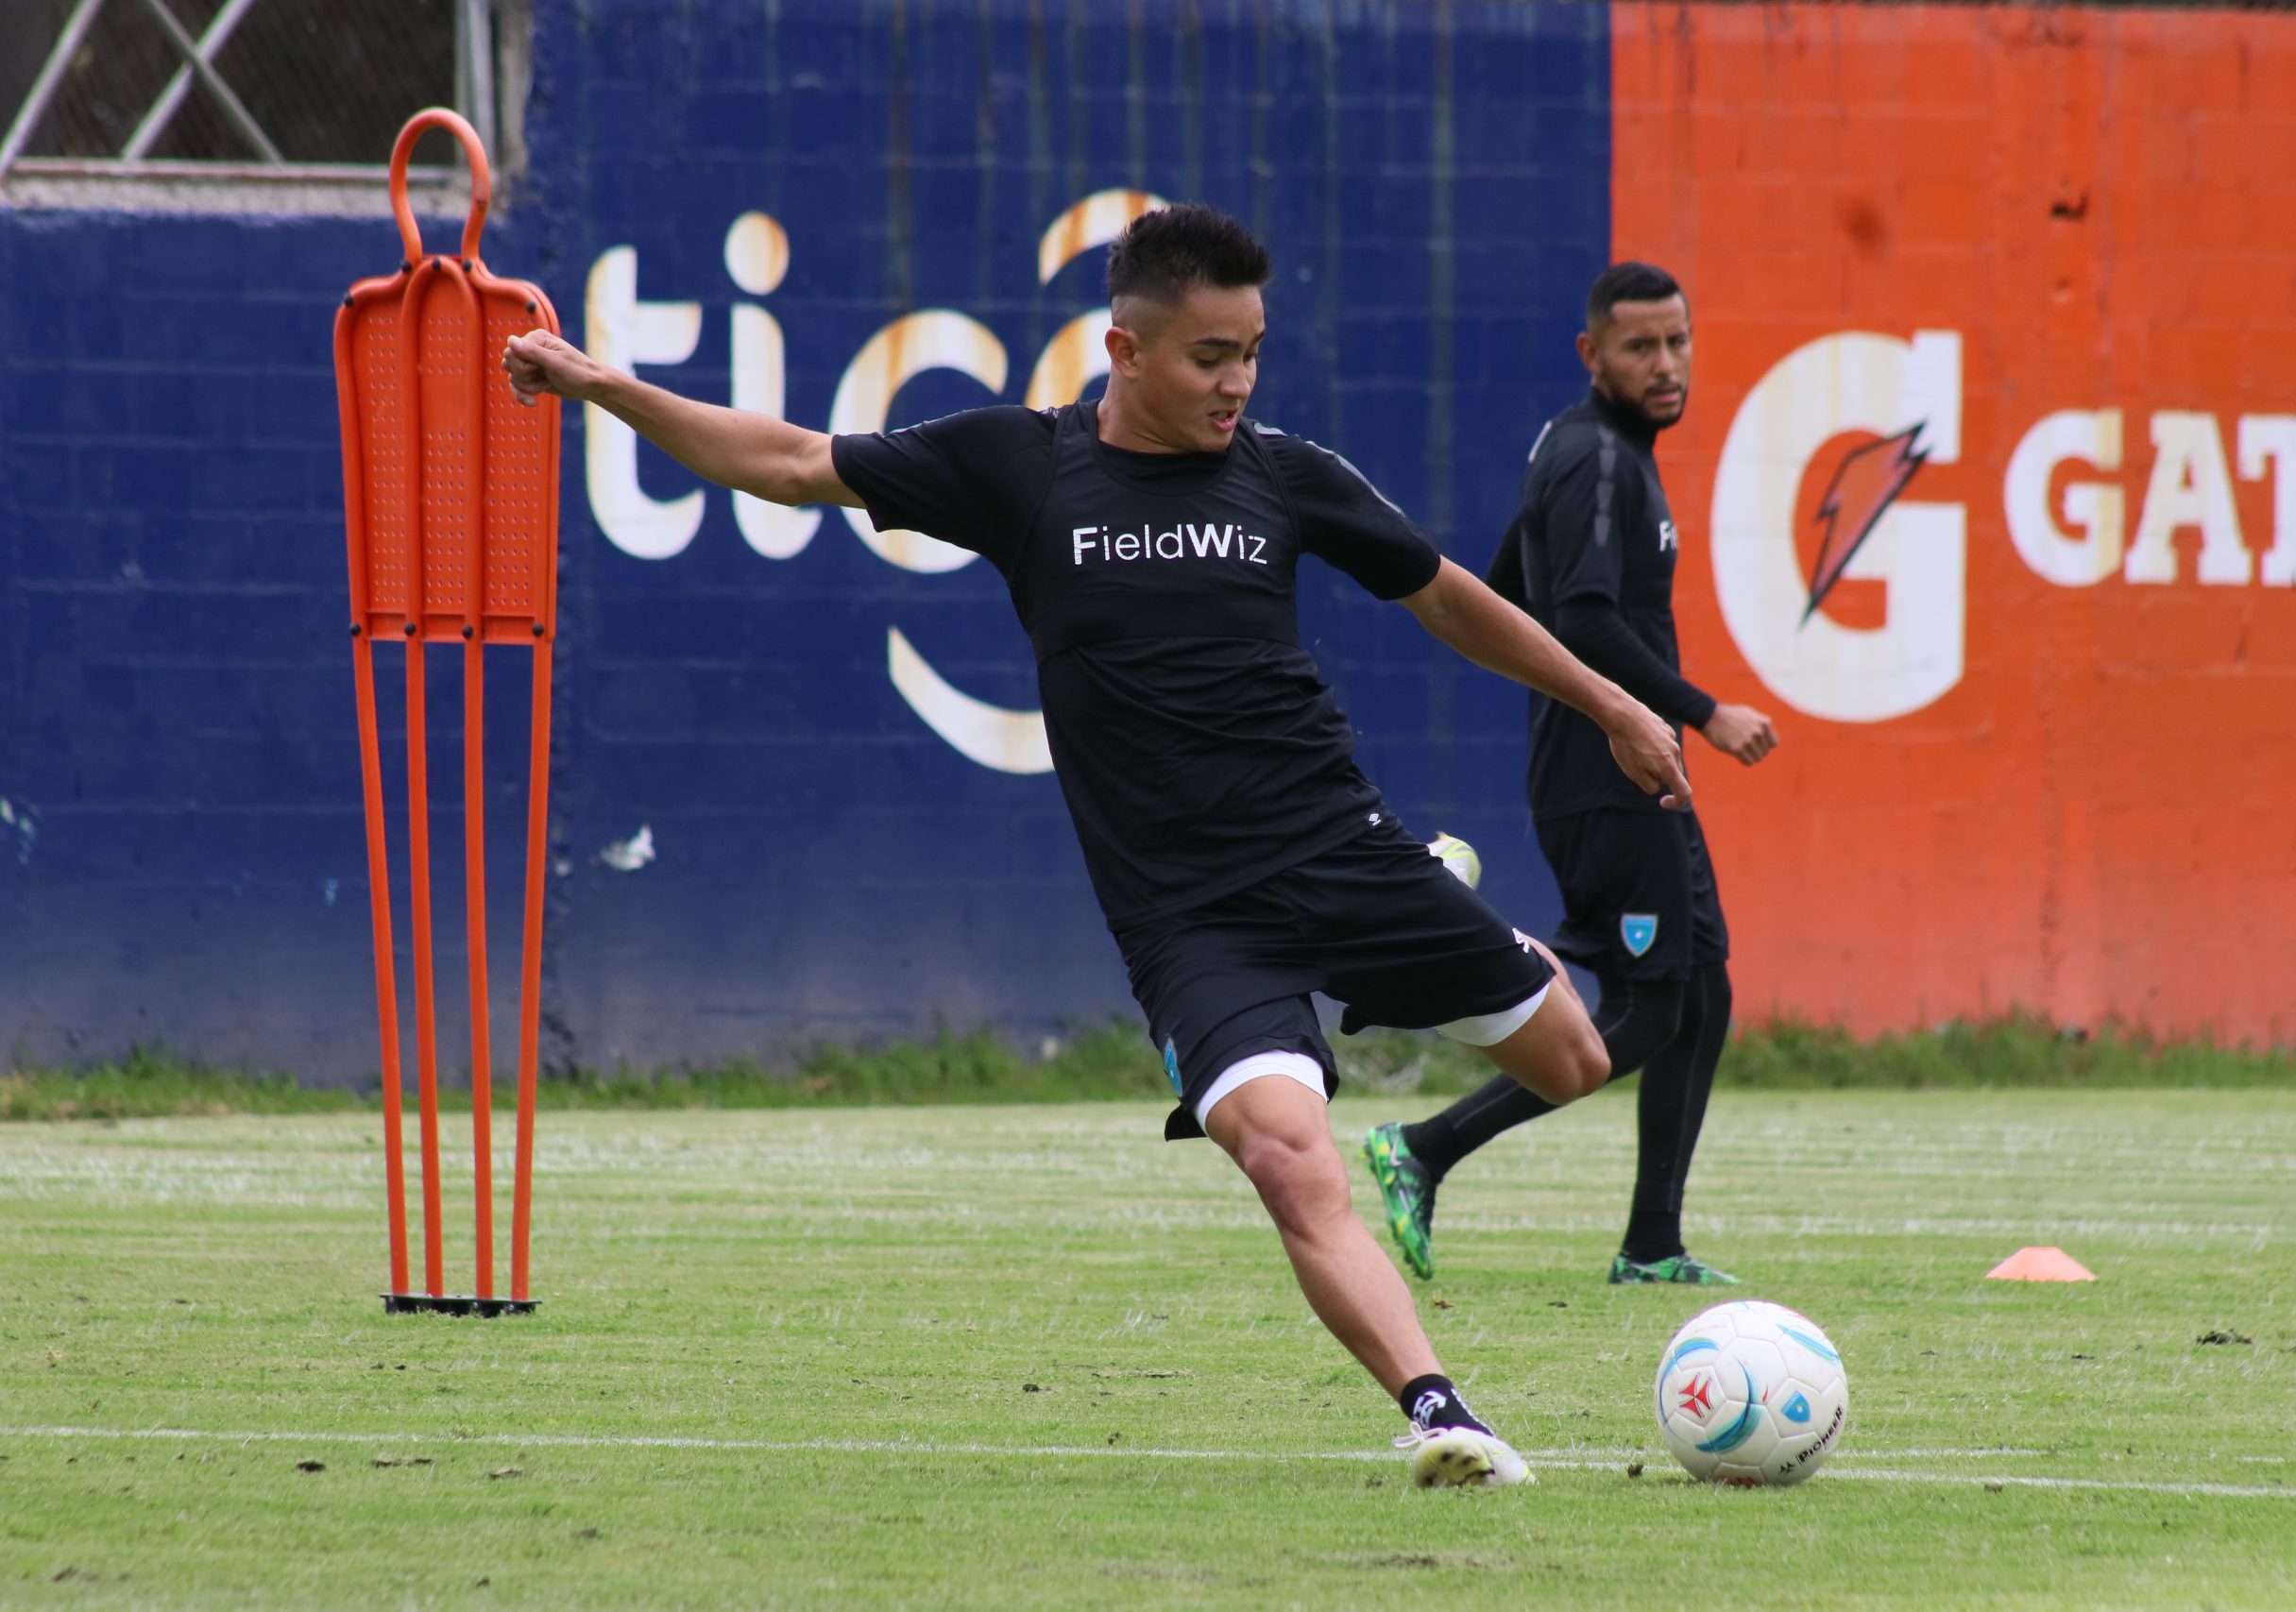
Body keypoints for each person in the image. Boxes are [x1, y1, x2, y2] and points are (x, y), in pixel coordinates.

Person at [503, 207, 1692, 1488]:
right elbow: (792, 458)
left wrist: (1618, 703)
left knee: (1572, 1055)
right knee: (1292, 1157)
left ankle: (1415, 935)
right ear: (1124, 349)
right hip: (1191, 916)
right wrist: (597, 383)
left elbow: (1447, 591)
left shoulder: (1286, 474)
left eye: (1251, 353)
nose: (1236, 381)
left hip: (1341, 855)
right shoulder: (1022, 467)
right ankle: (1441, 1409)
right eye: (1208, 357)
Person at [1362, 262, 1777, 1288]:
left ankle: (1651, 1245)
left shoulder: (1581, 446)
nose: (1665, 363)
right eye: (1640, 347)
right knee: (1645, 1008)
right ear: (1594, 355)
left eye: (1677, 341)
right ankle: (1423, 1147)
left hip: (1620, 763)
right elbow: (1582, 614)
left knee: (1702, 990)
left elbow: (1507, 590)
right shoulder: (1596, 458)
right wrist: (1701, 711)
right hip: (1608, 770)